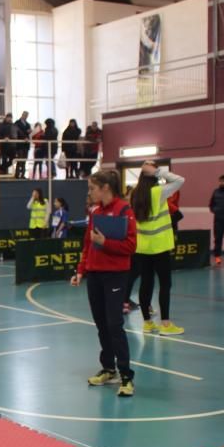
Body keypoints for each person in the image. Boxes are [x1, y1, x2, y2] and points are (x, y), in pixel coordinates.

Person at [70, 170, 137, 397]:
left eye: (92, 188)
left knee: (114, 325)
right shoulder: (95, 211)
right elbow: (88, 245)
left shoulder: (124, 211)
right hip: (95, 275)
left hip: (116, 276)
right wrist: (80, 271)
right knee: (101, 324)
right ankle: (109, 369)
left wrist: (106, 242)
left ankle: (126, 375)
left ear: (106, 187)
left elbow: (130, 247)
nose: (89, 192)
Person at [131, 161, 185, 335]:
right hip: (160, 246)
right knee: (165, 285)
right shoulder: (158, 192)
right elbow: (179, 180)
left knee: (146, 283)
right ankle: (166, 324)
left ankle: (147, 323)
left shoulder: (134, 193)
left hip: (142, 246)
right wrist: (157, 172)